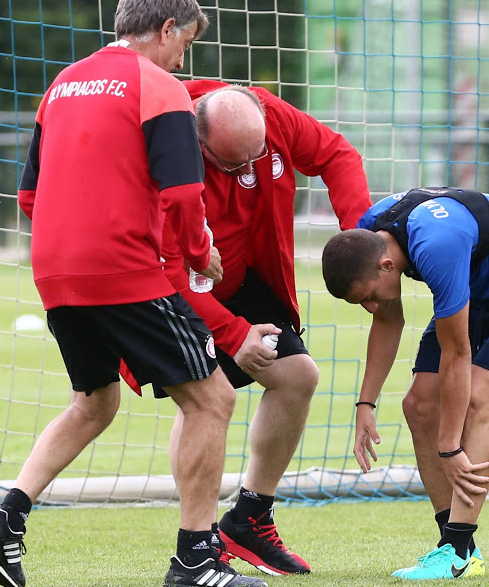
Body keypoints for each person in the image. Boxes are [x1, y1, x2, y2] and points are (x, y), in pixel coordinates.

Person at [0, 0, 267, 587]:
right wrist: (199, 254)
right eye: (184, 45)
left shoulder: (61, 85)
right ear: (165, 31)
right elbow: (183, 193)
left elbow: (29, 195)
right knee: (213, 398)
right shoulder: (161, 90)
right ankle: (197, 562)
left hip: (54, 270)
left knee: (95, 401)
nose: (184, 61)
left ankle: (5, 520)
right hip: (122, 270)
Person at [123, 82, 372, 576]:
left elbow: (339, 155)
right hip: (181, 288)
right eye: (231, 165)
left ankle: (249, 519)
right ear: (199, 142)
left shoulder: (266, 114)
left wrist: (360, 236)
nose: (245, 173)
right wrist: (234, 334)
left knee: (298, 375)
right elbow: (170, 271)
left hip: (246, 275)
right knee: (203, 401)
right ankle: (198, 541)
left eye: (254, 160)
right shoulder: (160, 145)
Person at [321, 186, 489, 581]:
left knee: (475, 402)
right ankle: (455, 548)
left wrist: (450, 447)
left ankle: (457, 550)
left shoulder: (435, 244)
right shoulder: (371, 232)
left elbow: (457, 355)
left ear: (388, 266)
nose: (372, 306)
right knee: (418, 406)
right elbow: (388, 320)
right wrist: (365, 404)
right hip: (478, 292)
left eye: (370, 296)